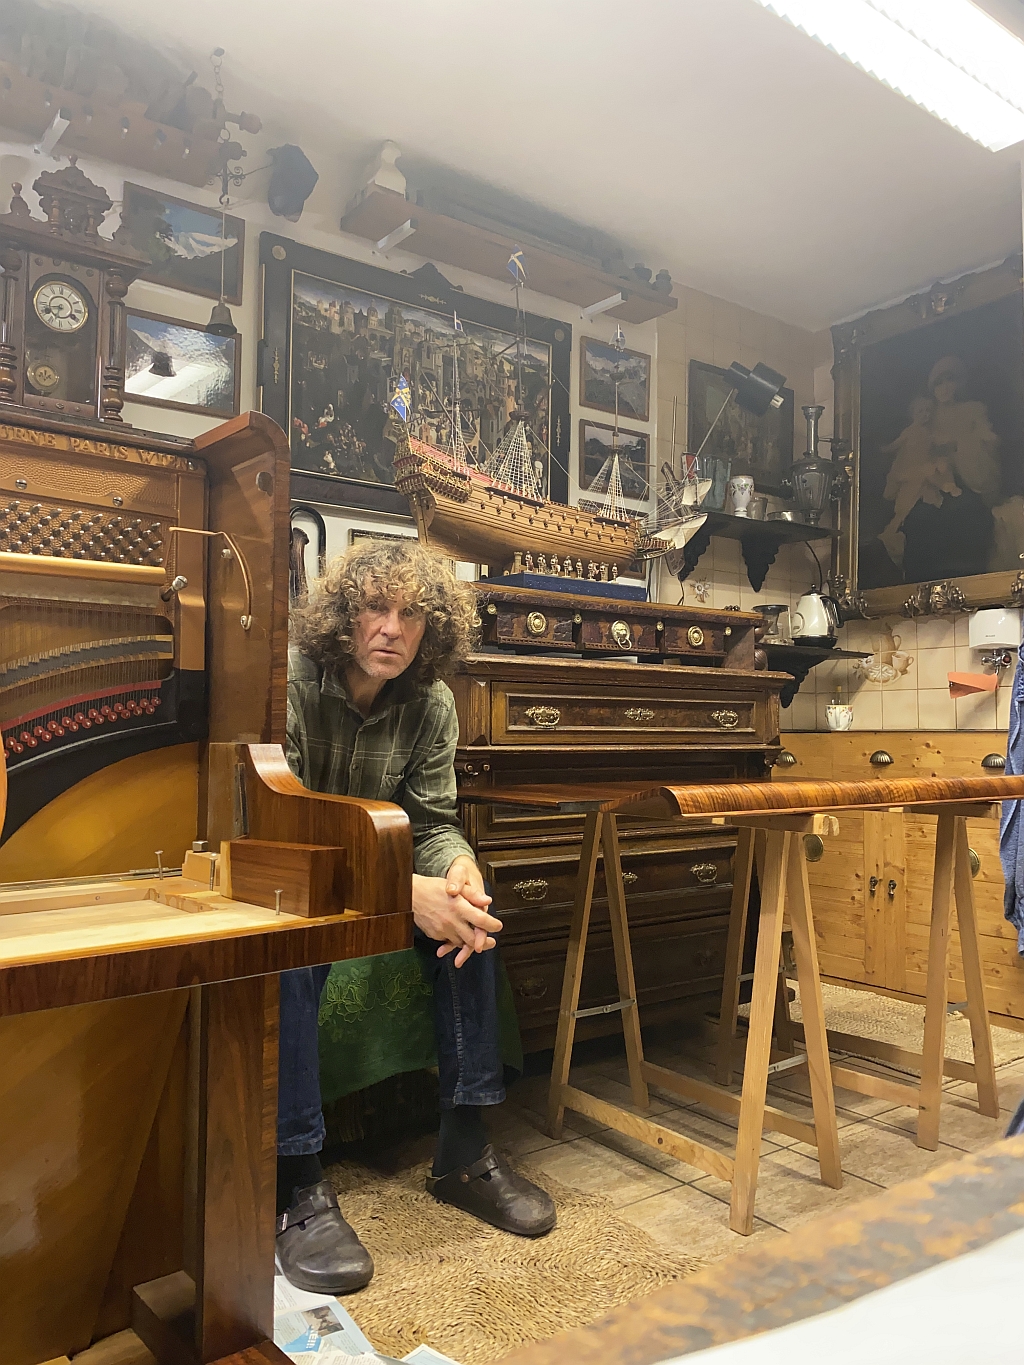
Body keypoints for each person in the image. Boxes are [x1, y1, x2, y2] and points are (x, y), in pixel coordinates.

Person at [276, 539, 556, 1295]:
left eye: (411, 615)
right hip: (294, 883)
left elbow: (430, 821)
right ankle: (295, 1181)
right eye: (375, 608)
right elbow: (280, 833)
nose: (391, 629)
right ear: (344, 615)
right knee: (289, 951)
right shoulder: (292, 682)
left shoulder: (431, 702)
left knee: (471, 921)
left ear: (432, 629)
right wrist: (402, 892)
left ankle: (463, 1150)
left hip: (378, 880)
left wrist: (457, 867)